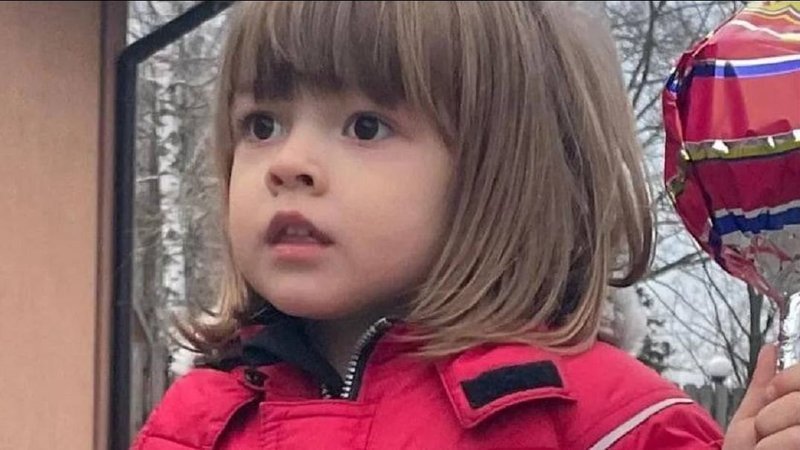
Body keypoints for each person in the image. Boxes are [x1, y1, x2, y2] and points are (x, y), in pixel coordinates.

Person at [132, 2, 800, 449]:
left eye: (366, 126)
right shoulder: (196, 425)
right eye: (261, 125)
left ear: (504, 171)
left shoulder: (609, 424)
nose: (288, 164)